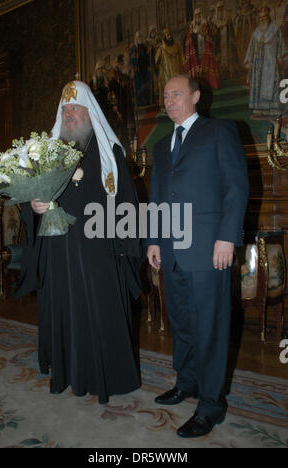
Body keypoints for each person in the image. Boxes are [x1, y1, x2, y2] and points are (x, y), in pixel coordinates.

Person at [16, 80, 142, 404]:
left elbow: (126, 202)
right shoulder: (49, 152)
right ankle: (67, 369)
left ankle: (104, 373)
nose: (69, 114)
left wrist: (123, 247)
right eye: (65, 109)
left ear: (89, 112)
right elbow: (32, 195)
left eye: (74, 108)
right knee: (63, 308)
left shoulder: (109, 154)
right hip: (59, 251)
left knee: (98, 311)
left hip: (97, 250)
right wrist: (34, 205)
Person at [146, 74, 249, 438]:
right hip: (171, 251)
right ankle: (186, 382)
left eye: (176, 93)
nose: (169, 99)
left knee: (210, 325)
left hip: (209, 249)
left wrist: (227, 238)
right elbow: (156, 198)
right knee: (183, 323)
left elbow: (236, 187)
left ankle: (210, 404)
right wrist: (154, 241)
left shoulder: (219, 131)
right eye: (165, 95)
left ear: (195, 96)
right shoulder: (160, 145)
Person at [244, 5, 288, 118]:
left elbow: (281, 46)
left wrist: (281, 58)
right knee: (259, 85)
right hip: (259, 65)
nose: (262, 19)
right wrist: (249, 61)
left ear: (268, 17)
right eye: (261, 18)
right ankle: (260, 109)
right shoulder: (256, 33)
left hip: (271, 64)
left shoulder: (275, 30)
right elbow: (251, 48)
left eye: (264, 17)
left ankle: (273, 109)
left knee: (273, 85)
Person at [155, 27, 185, 110]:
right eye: (167, 35)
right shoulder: (162, 47)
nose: (169, 37)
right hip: (166, 72)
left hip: (176, 70)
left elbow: (182, 57)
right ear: (165, 36)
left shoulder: (177, 45)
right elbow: (157, 60)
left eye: (170, 35)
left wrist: (182, 67)